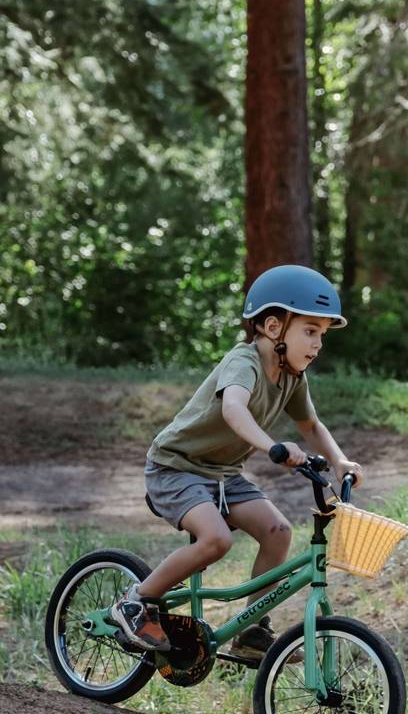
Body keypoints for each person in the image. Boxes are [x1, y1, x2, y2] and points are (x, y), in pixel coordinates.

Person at [110, 265, 362, 657]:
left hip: (223, 476)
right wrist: (273, 447)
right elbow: (233, 409)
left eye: (322, 336)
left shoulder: (292, 377)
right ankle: (136, 602)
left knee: (278, 531)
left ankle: (250, 631)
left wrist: (340, 460)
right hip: (176, 467)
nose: (317, 345)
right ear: (274, 327)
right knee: (216, 540)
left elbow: (311, 425)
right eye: (310, 331)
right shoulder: (243, 362)